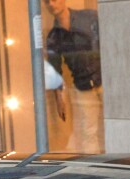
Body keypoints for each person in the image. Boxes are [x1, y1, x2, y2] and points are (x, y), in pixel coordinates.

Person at [45, 0, 102, 153]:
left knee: (118, 121)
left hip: (105, 79)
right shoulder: (54, 36)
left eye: (54, 0)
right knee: (88, 132)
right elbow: (54, 68)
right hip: (82, 84)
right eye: (47, 2)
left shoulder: (89, 17)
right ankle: (94, 169)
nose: (51, 4)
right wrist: (59, 97)